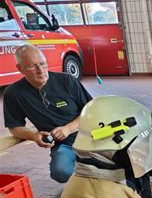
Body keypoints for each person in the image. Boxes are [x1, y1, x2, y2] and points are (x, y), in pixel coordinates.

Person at [3, 44, 92, 183]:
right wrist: (33, 135)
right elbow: (14, 127)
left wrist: (68, 128)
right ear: (20, 69)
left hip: (91, 136)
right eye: (32, 66)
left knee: (117, 162)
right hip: (64, 144)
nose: (41, 71)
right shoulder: (14, 93)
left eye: (42, 64)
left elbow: (91, 109)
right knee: (61, 172)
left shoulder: (66, 80)